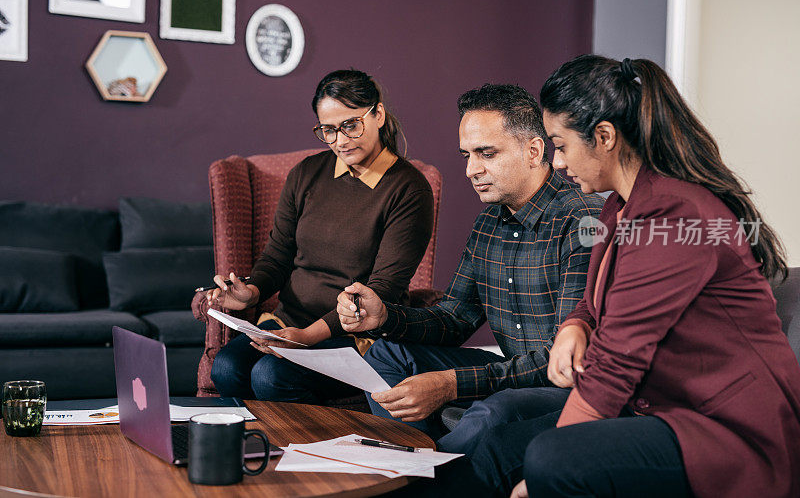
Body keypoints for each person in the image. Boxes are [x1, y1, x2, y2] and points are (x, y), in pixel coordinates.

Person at [466, 55, 800, 498]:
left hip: (729, 430)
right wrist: (576, 323)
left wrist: (546, 473)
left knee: (551, 457)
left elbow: (618, 359)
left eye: (561, 145)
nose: (558, 163)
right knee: (498, 448)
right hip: (659, 411)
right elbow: (599, 297)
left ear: (604, 136)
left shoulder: (676, 213)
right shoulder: (618, 206)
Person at [336, 84, 605, 454]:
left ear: (534, 151)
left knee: (495, 411)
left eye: (486, 154)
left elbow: (558, 358)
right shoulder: (487, 224)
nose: (470, 170)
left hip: (569, 386)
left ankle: (436, 478)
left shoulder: (583, 222)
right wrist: (384, 317)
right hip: (512, 372)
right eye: (467, 155)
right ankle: (413, 459)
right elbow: (454, 319)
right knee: (385, 355)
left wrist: (449, 384)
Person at [207, 69, 434, 404]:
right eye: (328, 130)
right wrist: (250, 292)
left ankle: (302, 451)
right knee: (227, 367)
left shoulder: (409, 189)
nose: (340, 140)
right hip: (289, 322)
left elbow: (383, 288)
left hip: (356, 335)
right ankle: (258, 449)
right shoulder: (306, 174)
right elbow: (278, 255)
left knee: (270, 375)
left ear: (379, 115)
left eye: (351, 125)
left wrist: (307, 337)